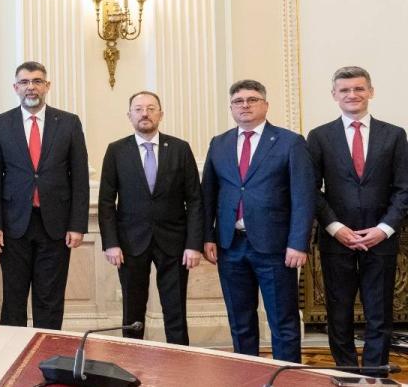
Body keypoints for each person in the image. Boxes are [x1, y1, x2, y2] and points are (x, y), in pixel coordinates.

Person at [202, 78, 314, 363]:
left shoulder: (290, 142)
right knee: (240, 320)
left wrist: (298, 243)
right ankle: (246, 372)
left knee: (282, 320)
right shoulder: (219, 143)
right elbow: (208, 194)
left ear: (266, 105)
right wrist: (208, 236)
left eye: (252, 100)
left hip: (275, 248)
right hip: (230, 245)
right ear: (231, 108)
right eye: (238, 101)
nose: (245, 106)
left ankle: (287, 377)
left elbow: (303, 196)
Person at [308, 66, 408, 376]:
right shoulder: (319, 136)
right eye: (345, 90)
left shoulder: (394, 135)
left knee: (379, 311)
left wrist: (384, 229)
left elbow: (404, 188)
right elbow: (310, 189)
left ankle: (375, 373)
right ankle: (347, 373)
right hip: (337, 238)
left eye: (359, 88)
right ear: (334, 95)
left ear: (371, 92)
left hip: (381, 238)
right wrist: (335, 228)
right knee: (338, 312)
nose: (352, 94)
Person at [0, 61, 88, 329]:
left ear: (47, 86)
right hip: (13, 225)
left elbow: (79, 178)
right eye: (25, 82)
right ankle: (12, 349)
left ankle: (48, 348)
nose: (31, 87)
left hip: (55, 225)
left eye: (37, 81)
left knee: (49, 298)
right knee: (14, 297)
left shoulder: (69, 123)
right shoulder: (0, 124)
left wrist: (77, 225)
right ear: (15, 87)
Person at [98, 91, 202, 344]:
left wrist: (193, 244)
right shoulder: (116, 150)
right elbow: (106, 202)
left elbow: (195, 200)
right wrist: (111, 243)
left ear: (160, 114)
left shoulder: (180, 148)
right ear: (129, 115)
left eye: (151, 108)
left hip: (175, 243)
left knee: (175, 308)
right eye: (138, 109)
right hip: (130, 243)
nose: (144, 113)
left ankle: (180, 356)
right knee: (132, 308)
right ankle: (132, 356)